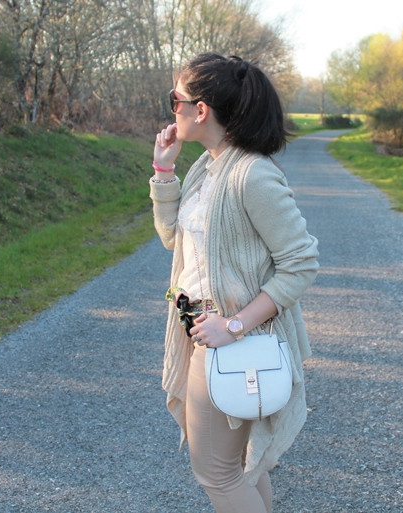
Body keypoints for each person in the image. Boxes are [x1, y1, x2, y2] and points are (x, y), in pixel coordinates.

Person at [149, 52, 319, 513]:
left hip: (232, 340)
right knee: (244, 469)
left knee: (217, 472)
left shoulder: (252, 174)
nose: (173, 110)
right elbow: (173, 238)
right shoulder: (206, 168)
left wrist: (234, 326)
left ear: (200, 109)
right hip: (203, 331)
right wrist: (164, 171)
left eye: (175, 100)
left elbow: (301, 263)